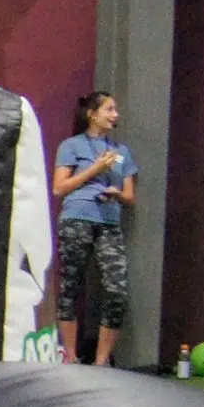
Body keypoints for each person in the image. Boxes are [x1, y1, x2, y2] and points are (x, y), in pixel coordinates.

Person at [53, 90, 138, 366]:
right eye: (109, 109)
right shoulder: (71, 146)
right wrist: (95, 168)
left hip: (109, 223)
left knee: (117, 290)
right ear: (92, 114)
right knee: (71, 286)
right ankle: (70, 356)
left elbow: (130, 197)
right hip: (77, 218)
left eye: (115, 110)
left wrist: (116, 193)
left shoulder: (122, 152)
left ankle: (101, 362)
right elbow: (59, 188)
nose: (115, 115)